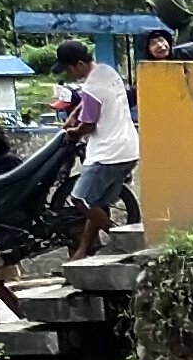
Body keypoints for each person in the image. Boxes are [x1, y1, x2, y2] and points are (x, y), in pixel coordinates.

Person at [51, 38, 139, 260]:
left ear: (79, 64)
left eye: (70, 68)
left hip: (108, 153)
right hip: (128, 148)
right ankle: (82, 250)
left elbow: (89, 124)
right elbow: (90, 102)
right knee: (97, 203)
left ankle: (123, 240)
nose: (70, 74)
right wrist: (74, 115)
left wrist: (74, 133)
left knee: (80, 200)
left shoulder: (91, 86)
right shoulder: (107, 72)